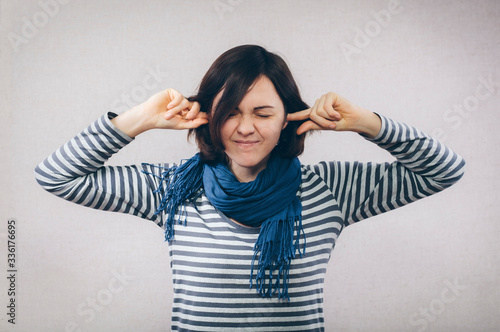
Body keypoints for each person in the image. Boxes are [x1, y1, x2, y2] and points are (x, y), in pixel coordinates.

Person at [35, 44, 466, 331]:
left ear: (287, 119)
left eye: (262, 113)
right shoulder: (170, 189)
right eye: (230, 112)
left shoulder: (330, 188)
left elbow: (444, 170)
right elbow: (55, 176)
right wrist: (139, 118)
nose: (245, 128)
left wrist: (370, 123)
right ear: (209, 115)